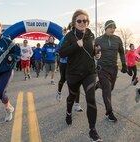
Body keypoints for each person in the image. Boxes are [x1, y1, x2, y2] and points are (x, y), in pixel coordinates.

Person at [59, 9, 102, 141]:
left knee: (91, 98)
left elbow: (93, 49)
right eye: (79, 21)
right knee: (72, 96)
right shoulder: (70, 36)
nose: (82, 23)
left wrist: (97, 52)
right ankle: (68, 113)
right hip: (73, 73)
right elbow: (62, 53)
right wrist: (75, 46)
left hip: (89, 72)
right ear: (74, 22)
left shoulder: (91, 34)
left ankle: (92, 130)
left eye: (85, 21)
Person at [95, 20, 127, 122]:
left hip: (113, 68)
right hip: (102, 68)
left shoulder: (118, 39)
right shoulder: (98, 40)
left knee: (110, 88)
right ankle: (109, 112)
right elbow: (94, 53)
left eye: (114, 28)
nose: (113, 29)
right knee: (107, 90)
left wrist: (124, 64)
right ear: (106, 28)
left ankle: (98, 85)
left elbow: (122, 52)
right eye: (111, 27)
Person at [56, 24, 83, 111]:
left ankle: (77, 104)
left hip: (75, 64)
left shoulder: (81, 37)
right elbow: (58, 51)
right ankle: (59, 92)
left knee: (76, 83)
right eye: (72, 28)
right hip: (64, 63)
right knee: (63, 79)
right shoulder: (65, 38)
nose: (75, 29)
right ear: (70, 29)